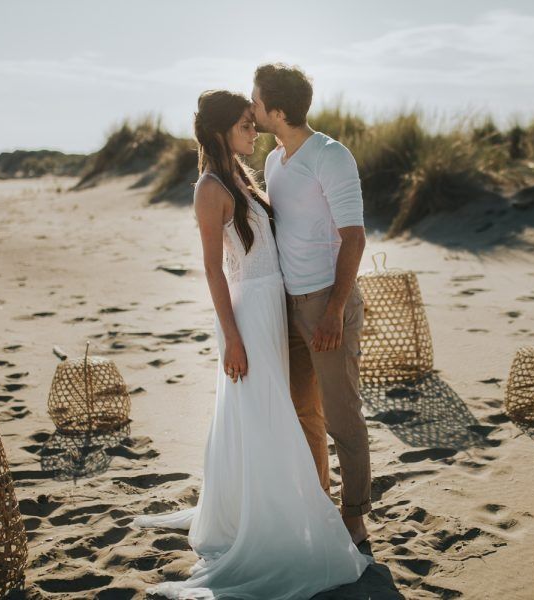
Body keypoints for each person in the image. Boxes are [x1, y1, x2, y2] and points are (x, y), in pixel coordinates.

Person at [131, 89, 370, 600]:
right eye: (244, 122)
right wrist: (232, 339)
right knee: (266, 410)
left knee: (278, 410)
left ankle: (294, 503)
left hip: (273, 307)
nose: (253, 129)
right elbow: (213, 271)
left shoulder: (245, 175)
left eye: (253, 117)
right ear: (221, 130)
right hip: (248, 315)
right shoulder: (210, 188)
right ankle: (273, 515)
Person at [251, 63, 372, 545]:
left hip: (327, 302)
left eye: (256, 100)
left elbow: (355, 238)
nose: (251, 107)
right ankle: (317, 500)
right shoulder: (274, 161)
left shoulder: (330, 156)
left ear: (277, 110)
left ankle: (355, 515)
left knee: (342, 413)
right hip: (287, 303)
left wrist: (334, 309)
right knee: (303, 410)